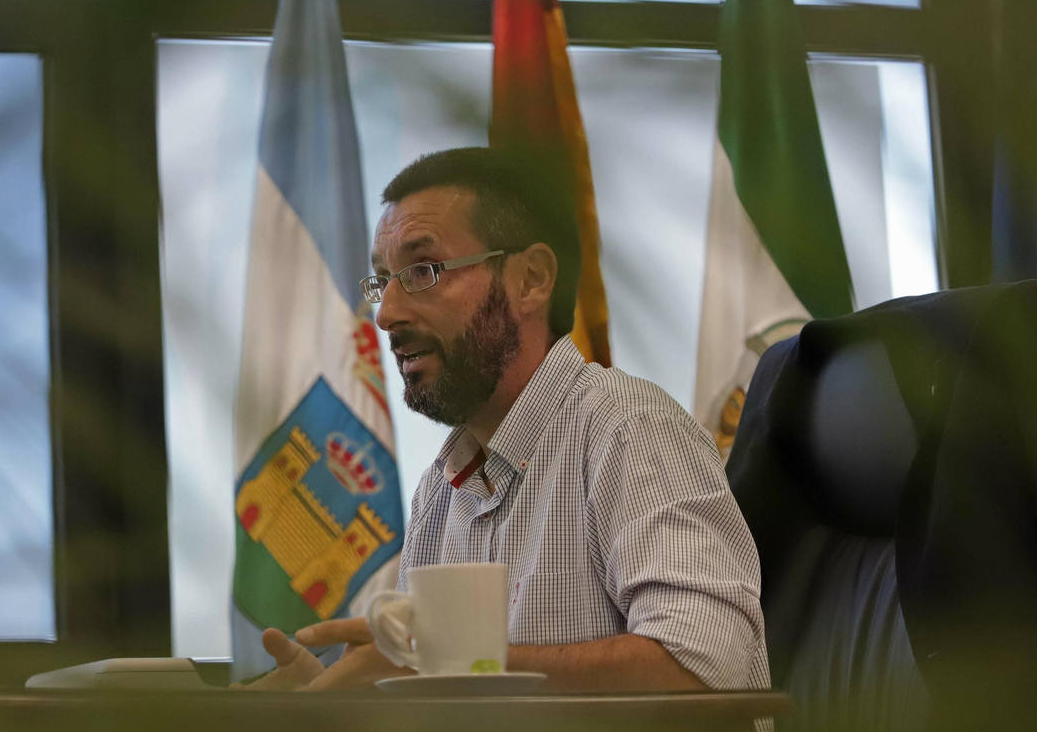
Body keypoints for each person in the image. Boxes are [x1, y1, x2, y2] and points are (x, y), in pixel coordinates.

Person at [242, 147, 770, 695]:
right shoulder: (441, 490)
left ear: (532, 279)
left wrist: (452, 667)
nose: (387, 314)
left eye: (422, 271)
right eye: (382, 281)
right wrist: (336, 708)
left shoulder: (631, 429)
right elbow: (435, 701)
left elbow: (706, 662)